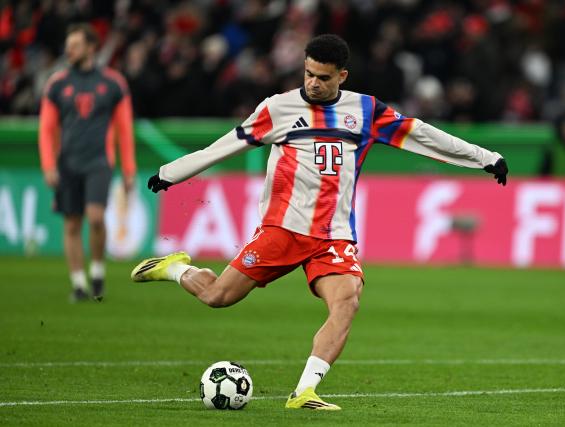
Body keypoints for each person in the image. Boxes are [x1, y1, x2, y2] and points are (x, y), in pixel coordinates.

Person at [131, 34, 508, 410]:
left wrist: (484, 157)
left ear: (342, 76)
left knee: (347, 301)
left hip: (334, 236)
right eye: (308, 73)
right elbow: (225, 145)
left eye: (324, 77)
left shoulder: (365, 112)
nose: (313, 82)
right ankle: (174, 269)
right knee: (218, 297)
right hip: (283, 229)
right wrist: (172, 172)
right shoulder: (277, 108)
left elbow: (423, 135)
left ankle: (304, 391)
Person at [39, 23, 137, 302]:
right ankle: (79, 284)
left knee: (95, 218)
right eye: (68, 45)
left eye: (76, 45)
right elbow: (46, 129)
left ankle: (97, 272)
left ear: (92, 47)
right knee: (71, 224)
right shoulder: (57, 83)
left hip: (98, 161)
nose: (69, 50)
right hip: (67, 163)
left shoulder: (113, 83)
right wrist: (48, 165)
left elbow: (124, 130)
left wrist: (128, 170)